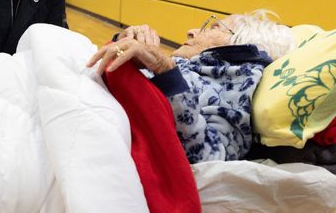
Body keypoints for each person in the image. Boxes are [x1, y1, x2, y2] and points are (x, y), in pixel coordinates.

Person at [87, 10, 295, 163]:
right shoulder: (195, 66)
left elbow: (211, 157)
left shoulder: (238, 80)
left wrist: (164, 70)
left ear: (242, 42)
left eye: (213, 27)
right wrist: (123, 41)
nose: (191, 31)